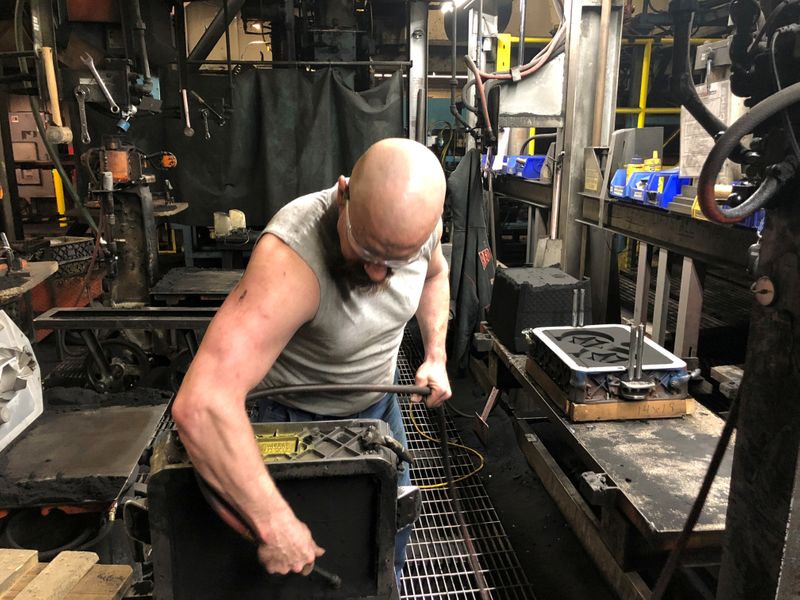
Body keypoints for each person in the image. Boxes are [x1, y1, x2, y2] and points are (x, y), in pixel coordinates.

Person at [172, 137, 452, 583]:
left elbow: (436, 275)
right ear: (344, 194)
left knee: (385, 538)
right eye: (367, 252)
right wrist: (273, 521)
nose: (378, 273)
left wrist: (435, 355)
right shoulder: (292, 259)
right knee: (303, 568)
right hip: (293, 420)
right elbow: (202, 403)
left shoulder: (419, 229)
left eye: (393, 262)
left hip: (378, 410)